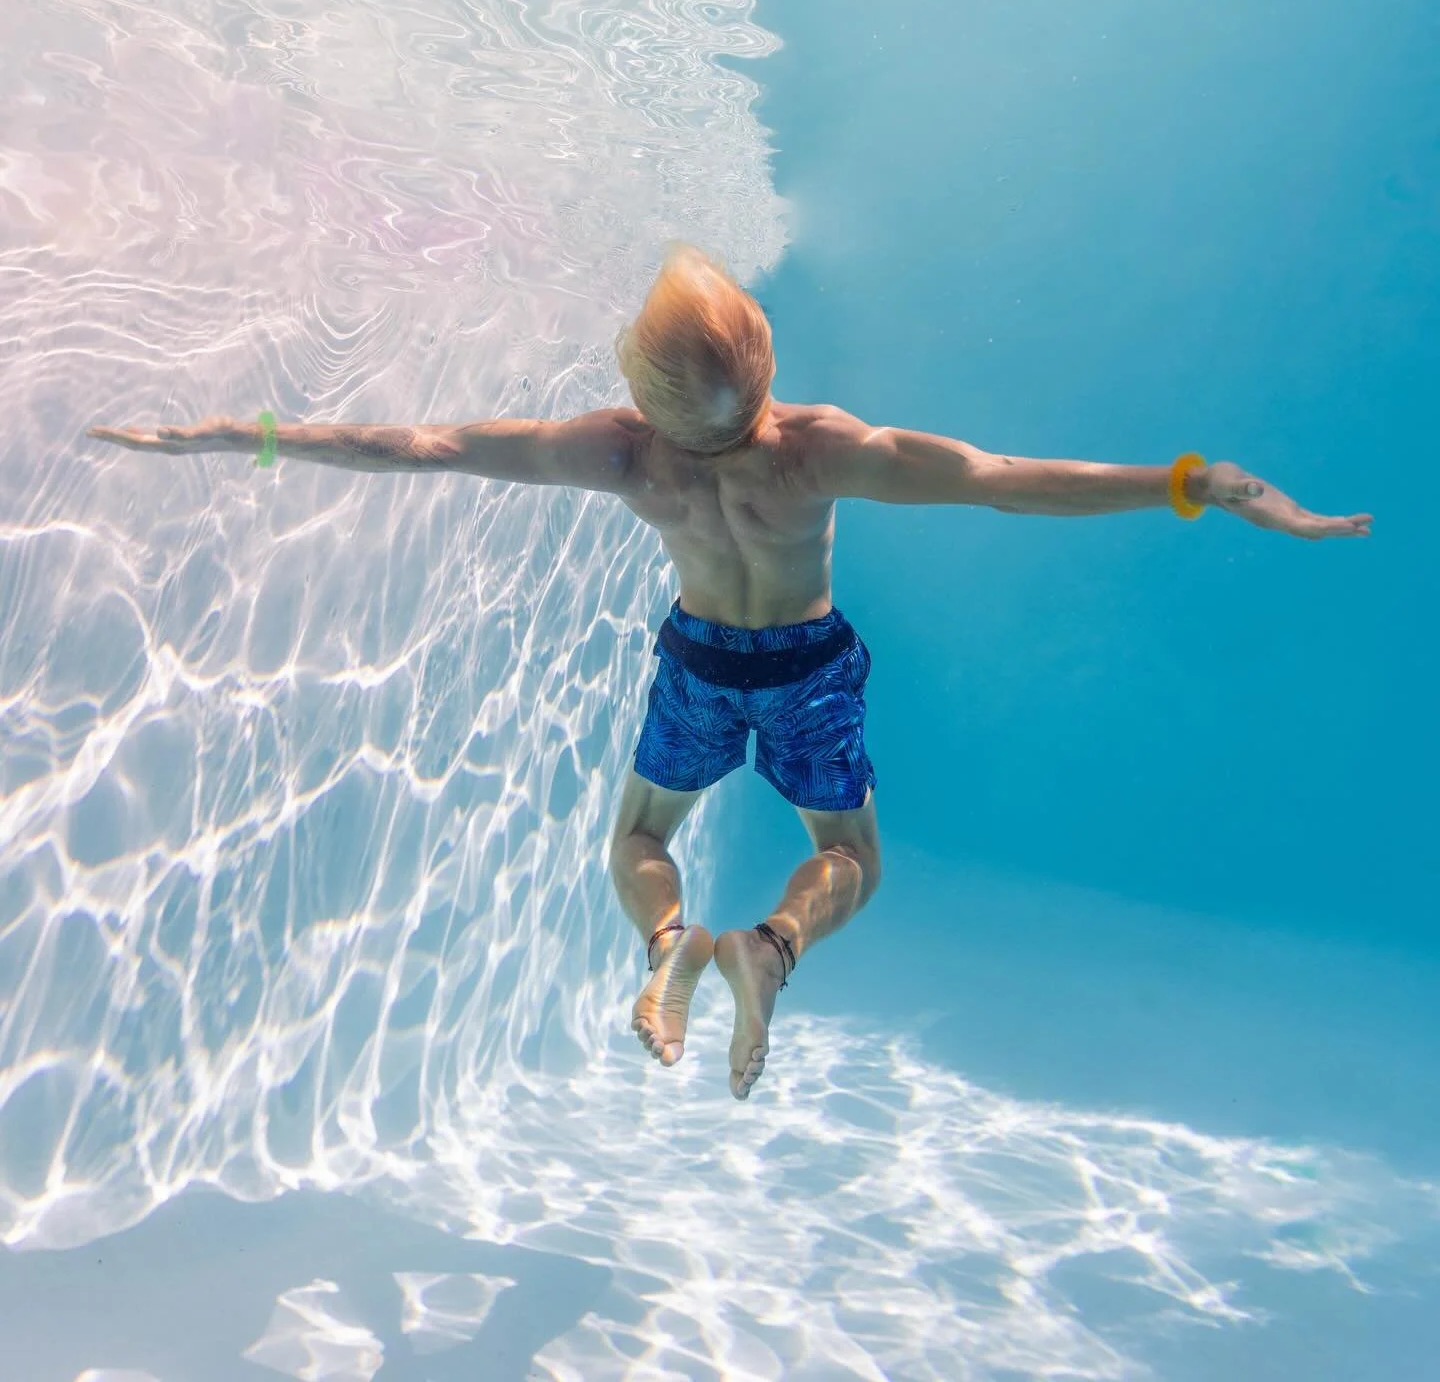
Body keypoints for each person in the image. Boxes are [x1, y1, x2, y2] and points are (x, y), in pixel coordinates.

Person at [90, 245, 1372, 1100]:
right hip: (808, 661)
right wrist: (1200, 484)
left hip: (697, 660)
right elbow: (1004, 486)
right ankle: (768, 945)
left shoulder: (619, 455)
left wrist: (240, 433)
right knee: (853, 860)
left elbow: (414, 447)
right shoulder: (819, 451)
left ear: (641, 395)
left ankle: (667, 943)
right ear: (763, 370)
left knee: (641, 834)